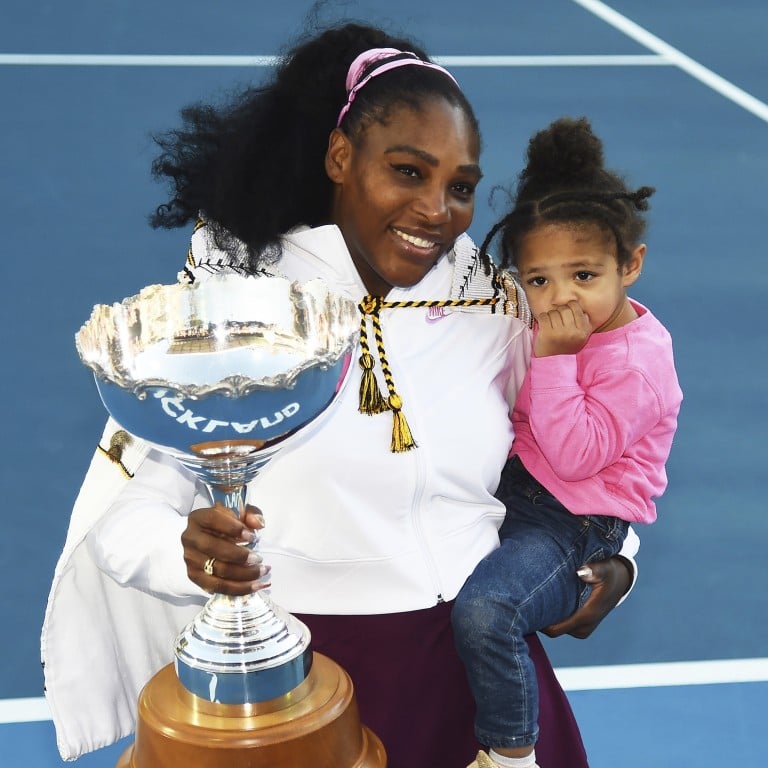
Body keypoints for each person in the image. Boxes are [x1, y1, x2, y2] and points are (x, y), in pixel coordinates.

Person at [41, 25, 639, 768]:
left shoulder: (498, 309)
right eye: (408, 172)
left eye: (459, 187)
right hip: (298, 698)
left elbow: (590, 446)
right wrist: (186, 554)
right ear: (339, 158)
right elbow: (125, 515)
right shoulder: (233, 313)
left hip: (485, 691)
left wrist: (616, 561)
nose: (436, 211)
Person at [451, 117, 683, 768]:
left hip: (573, 524)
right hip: (519, 492)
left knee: (486, 613)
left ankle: (513, 753)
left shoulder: (637, 362)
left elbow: (579, 454)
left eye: (583, 275)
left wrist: (553, 358)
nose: (560, 298)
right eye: (540, 279)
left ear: (630, 265)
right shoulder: (532, 319)